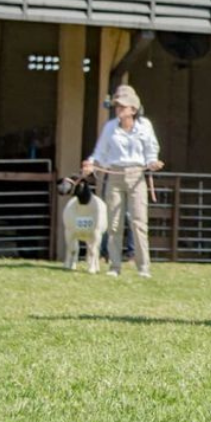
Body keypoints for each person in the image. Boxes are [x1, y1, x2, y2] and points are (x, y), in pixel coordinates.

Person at [82, 84, 163, 278]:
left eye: (122, 106)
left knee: (139, 222)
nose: (118, 109)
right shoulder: (110, 127)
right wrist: (91, 163)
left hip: (137, 176)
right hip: (115, 176)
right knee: (114, 223)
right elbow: (100, 151)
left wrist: (153, 162)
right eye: (116, 106)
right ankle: (114, 266)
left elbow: (152, 149)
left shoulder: (145, 126)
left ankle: (143, 267)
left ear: (133, 109)